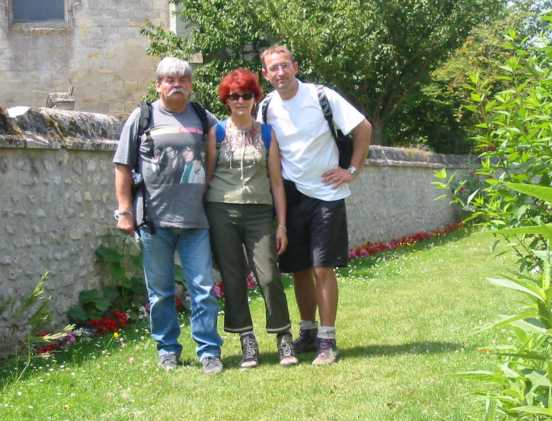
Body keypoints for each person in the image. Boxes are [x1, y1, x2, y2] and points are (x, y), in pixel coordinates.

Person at [258, 45, 372, 365]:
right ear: (265, 74)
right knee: (299, 269)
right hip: (290, 196)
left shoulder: (321, 96)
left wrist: (352, 170)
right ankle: (307, 333)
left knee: (322, 267)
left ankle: (327, 339)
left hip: (327, 195)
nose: (280, 72)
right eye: (273, 68)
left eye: (284, 65)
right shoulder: (265, 106)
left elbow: (363, 127)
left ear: (295, 67)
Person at [113, 56, 224, 374]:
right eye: (170, 80)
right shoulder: (142, 116)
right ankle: (167, 350)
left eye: (183, 79)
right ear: (158, 84)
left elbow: (225, 142)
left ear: (190, 84)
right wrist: (124, 211)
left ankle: (209, 351)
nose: (177, 84)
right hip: (154, 220)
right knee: (160, 293)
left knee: (203, 290)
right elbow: (122, 166)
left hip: (195, 220)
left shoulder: (202, 116)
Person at [205, 68, 298, 368]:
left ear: (255, 98)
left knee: (269, 276)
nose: (240, 101)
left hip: (259, 212)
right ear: (226, 101)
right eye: (234, 96)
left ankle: (283, 336)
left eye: (246, 95)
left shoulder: (267, 134)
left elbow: (277, 183)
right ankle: (247, 340)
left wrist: (281, 225)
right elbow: (207, 177)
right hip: (222, 210)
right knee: (233, 278)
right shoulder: (217, 133)